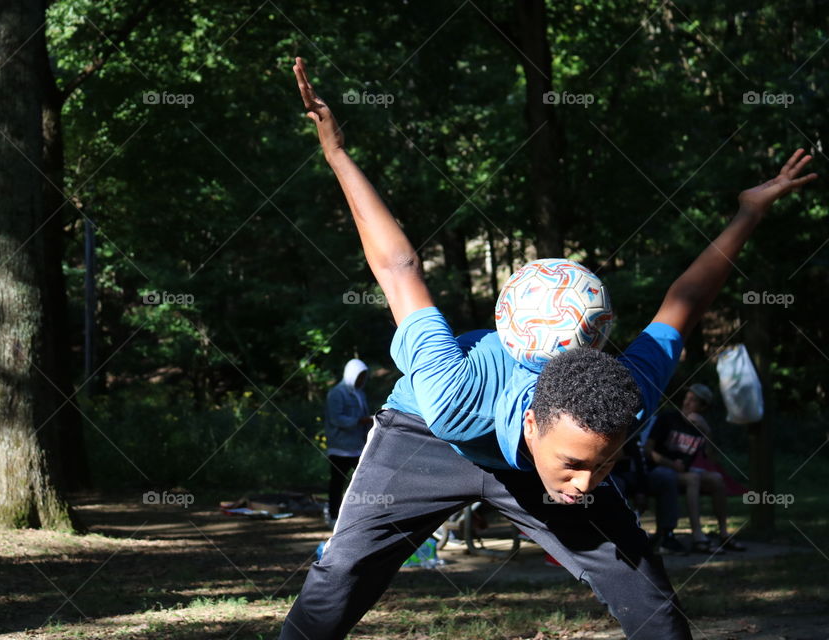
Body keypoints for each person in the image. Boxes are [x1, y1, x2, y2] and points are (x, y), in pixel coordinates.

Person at [279, 56, 816, 640]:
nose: (587, 483)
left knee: (649, 598)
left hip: (537, 447)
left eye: (605, 463)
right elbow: (398, 267)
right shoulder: (453, 391)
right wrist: (337, 152)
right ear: (533, 424)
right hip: (426, 440)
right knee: (341, 576)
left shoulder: (622, 399)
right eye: (578, 466)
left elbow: (684, 302)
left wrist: (748, 212)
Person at [646, 384, 745, 553]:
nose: (686, 403)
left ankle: (724, 534)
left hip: (683, 473)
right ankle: (698, 536)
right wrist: (671, 464)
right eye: (687, 398)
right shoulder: (668, 418)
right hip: (658, 470)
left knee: (717, 479)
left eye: (693, 400)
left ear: (702, 407)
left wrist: (707, 433)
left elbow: (712, 460)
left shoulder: (700, 426)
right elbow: (648, 450)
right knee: (693, 478)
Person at [324, 358, 373, 525]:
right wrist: (361, 421)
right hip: (340, 447)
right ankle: (333, 516)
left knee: (365, 480)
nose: (362, 380)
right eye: (359, 376)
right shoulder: (336, 393)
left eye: (364, 376)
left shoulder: (360, 393)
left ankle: (361, 515)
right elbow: (337, 419)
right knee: (337, 483)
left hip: (358, 446)